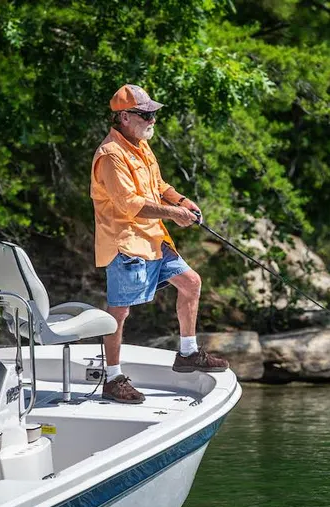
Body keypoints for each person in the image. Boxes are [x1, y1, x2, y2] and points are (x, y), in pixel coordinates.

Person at [90, 84, 229, 404]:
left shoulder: (141, 144)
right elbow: (129, 205)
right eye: (146, 114)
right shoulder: (111, 155)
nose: (153, 119)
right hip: (124, 241)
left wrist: (181, 200)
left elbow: (158, 185)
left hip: (153, 237)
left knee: (191, 282)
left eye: (154, 113)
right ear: (124, 116)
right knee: (118, 312)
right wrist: (175, 213)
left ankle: (188, 353)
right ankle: (112, 379)